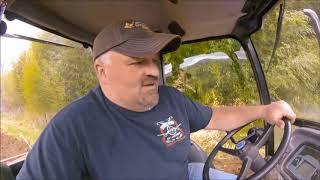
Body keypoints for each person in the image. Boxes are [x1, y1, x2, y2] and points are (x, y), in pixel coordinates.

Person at [17, 20, 296, 180]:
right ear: (102, 71)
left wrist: (265, 110)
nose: (152, 71)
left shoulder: (171, 100)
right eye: (138, 61)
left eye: (153, 60)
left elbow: (215, 115)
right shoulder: (72, 127)